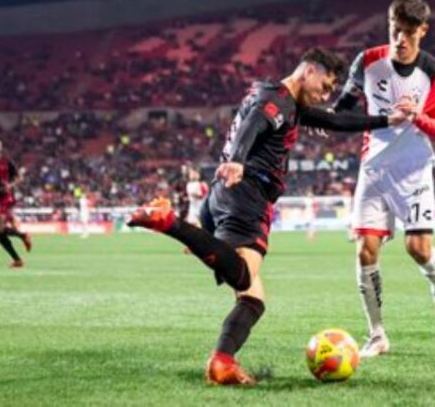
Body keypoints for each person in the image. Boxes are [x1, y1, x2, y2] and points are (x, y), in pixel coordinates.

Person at [126, 47, 415, 386]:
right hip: (247, 193)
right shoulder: (279, 102)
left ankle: (222, 362)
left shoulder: (277, 98)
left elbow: (332, 119)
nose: (327, 93)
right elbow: (255, 122)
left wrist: (386, 119)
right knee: (246, 277)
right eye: (326, 84)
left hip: (223, 196)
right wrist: (236, 159)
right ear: (309, 70)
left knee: (252, 298)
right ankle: (169, 221)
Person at [333, 0, 435, 357]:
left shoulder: (434, 72)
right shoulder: (368, 61)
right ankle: (377, 335)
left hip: (414, 170)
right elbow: (345, 105)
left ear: (423, 31)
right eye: (394, 30)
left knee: (417, 249)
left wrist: (417, 116)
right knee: (364, 252)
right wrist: (327, 118)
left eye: (407, 33)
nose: (399, 40)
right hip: (373, 168)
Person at [0, 138, 32, 267]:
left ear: (1, 148)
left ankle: (22, 238)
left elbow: (19, 177)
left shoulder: (7, 162)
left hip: (6, 197)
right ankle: (18, 257)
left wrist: (9, 185)